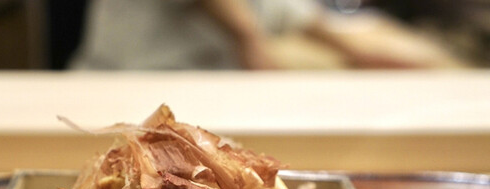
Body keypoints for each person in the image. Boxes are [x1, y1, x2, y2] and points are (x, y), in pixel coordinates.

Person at [68, 0, 459, 70]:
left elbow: (277, 5)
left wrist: (350, 47)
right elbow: (242, 18)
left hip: (210, 84)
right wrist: (249, 37)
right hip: (126, 79)